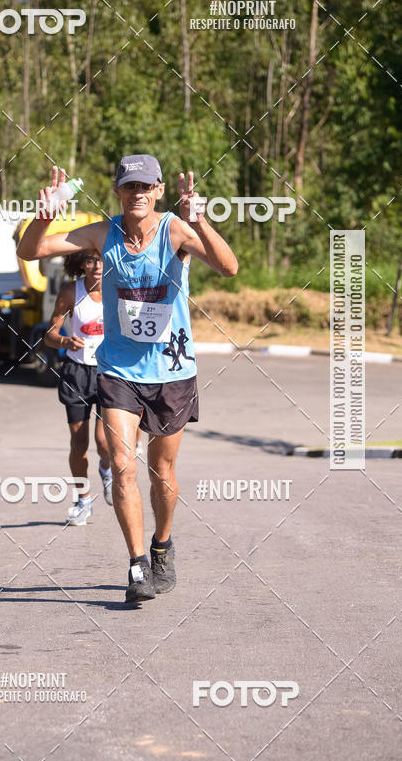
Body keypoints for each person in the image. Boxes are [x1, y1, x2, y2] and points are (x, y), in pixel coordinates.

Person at [17, 156, 238, 603]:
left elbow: (228, 267)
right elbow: (32, 251)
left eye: (145, 186)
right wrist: (44, 217)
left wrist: (199, 220)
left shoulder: (175, 229)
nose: (137, 193)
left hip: (173, 371)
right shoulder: (103, 232)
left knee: (163, 472)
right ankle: (137, 564)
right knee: (122, 463)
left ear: (158, 191)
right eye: (128, 186)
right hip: (118, 369)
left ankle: (162, 545)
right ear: (117, 191)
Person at [44, 249, 112, 524]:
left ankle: (106, 469)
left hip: (109, 372)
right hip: (76, 373)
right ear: (81, 264)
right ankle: (83, 501)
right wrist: (64, 342)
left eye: (102, 260)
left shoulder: (117, 290)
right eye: (91, 261)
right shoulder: (71, 292)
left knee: (105, 442)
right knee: (79, 443)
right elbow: (50, 334)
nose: (97, 266)